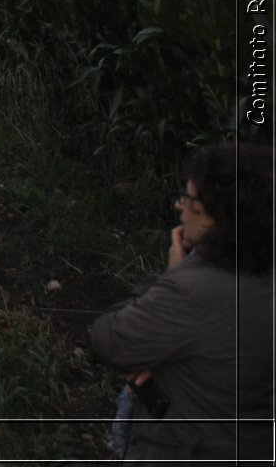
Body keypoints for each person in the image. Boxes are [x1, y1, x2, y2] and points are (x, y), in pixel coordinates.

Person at [90, 142, 274, 464]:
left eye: (190, 200)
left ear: (217, 220)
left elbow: (108, 339)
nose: (180, 207)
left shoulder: (192, 291)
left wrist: (172, 276)